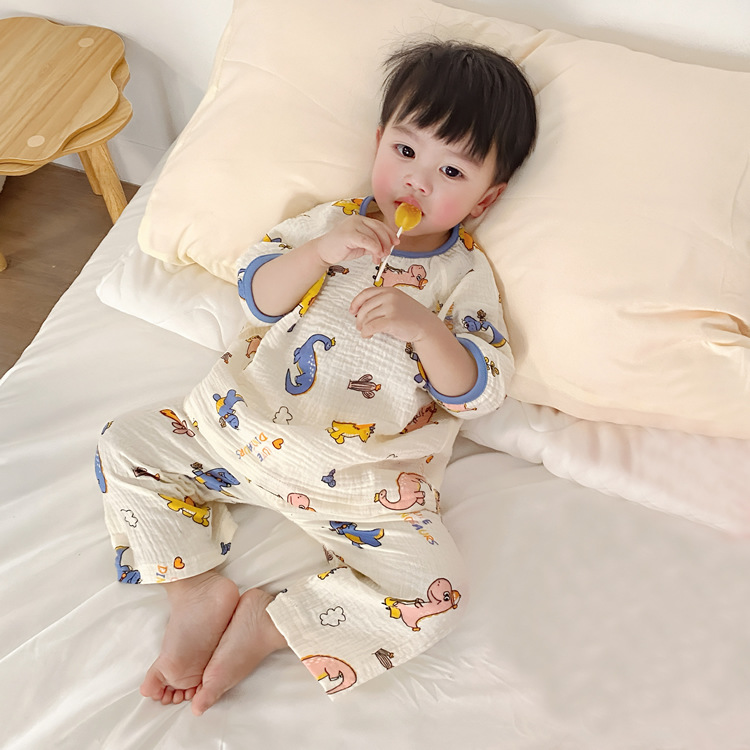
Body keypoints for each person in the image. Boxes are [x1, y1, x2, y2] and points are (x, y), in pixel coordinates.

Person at [95, 38, 537, 715]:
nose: (417, 182)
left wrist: (427, 330)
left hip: (363, 488)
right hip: (236, 436)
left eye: (452, 171)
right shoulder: (329, 225)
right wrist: (319, 254)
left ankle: (272, 623)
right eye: (406, 151)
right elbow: (257, 297)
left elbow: (477, 392)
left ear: (486, 199)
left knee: (437, 593)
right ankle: (194, 588)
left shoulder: (463, 278)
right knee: (124, 443)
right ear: (379, 143)